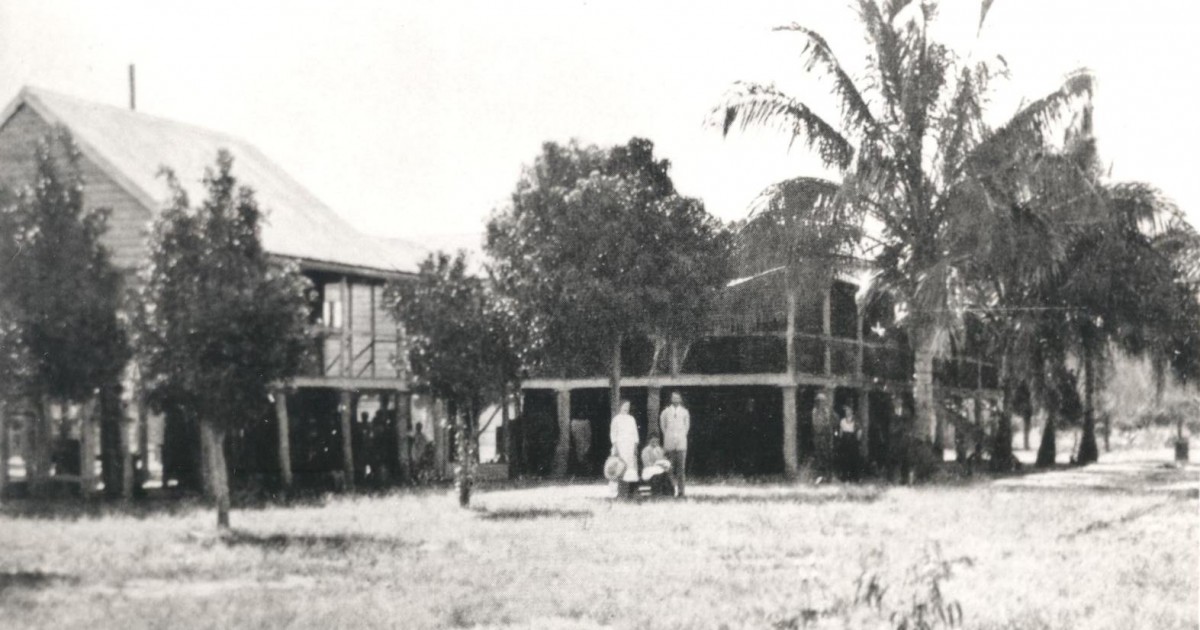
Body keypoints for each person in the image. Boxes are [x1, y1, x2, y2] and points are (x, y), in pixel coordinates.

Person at [660, 391, 690, 497]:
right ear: (671, 399)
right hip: (669, 444)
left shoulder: (685, 412)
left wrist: (680, 437)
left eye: (677, 398)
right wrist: (669, 436)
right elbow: (663, 426)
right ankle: (670, 490)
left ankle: (681, 492)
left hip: (681, 444)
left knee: (681, 469)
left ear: (680, 399)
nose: (675, 400)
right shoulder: (665, 412)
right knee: (670, 468)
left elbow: (686, 427)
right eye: (673, 398)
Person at [609, 400, 640, 498]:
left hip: (630, 446)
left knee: (630, 468)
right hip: (620, 446)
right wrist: (616, 447)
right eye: (624, 406)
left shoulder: (631, 419)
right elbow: (613, 434)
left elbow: (635, 434)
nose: (626, 408)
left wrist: (635, 446)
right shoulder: (616, 419)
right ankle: (617, 492)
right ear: (620, 406)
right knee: (619, 468)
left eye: (628, 406)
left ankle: (629, 491)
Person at [835, 404, 861, 481]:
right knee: (844, 458)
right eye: (846, 411)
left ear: (852, 411)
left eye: (848, 410)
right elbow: (840, 431)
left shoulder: (855, 420)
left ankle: (854, 476)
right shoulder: (842, 421)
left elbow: (859, 431)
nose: (847, 412)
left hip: (852, 440)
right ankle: (844, 476)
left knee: (853, 458)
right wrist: (840, 439)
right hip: (845, 441)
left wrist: (857, 440)